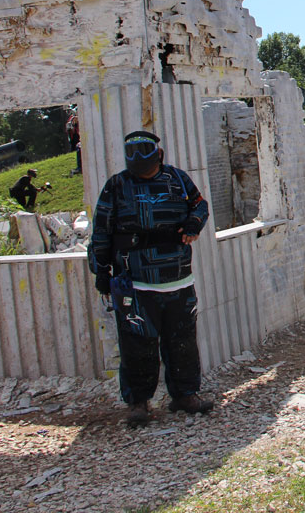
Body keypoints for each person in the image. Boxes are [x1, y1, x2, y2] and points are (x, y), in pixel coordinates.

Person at [88, 130, 212, 427]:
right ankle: (138, 403)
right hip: (135, 283)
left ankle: (185, 395)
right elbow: (101, 231)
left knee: (182, 342)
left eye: (145, 157)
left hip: (178, 279)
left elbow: (200, 205)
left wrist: (194, 223)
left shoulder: (177, 179)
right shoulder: (117, 186)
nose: (140, 164)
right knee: (137, 346)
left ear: (159, 156)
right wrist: (101, 270)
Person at [65, 109, 82, 175]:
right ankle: (80, 167)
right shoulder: (73, 119)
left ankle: (80, 168)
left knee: (78, 146)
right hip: (78, 138)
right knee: (77, 146)